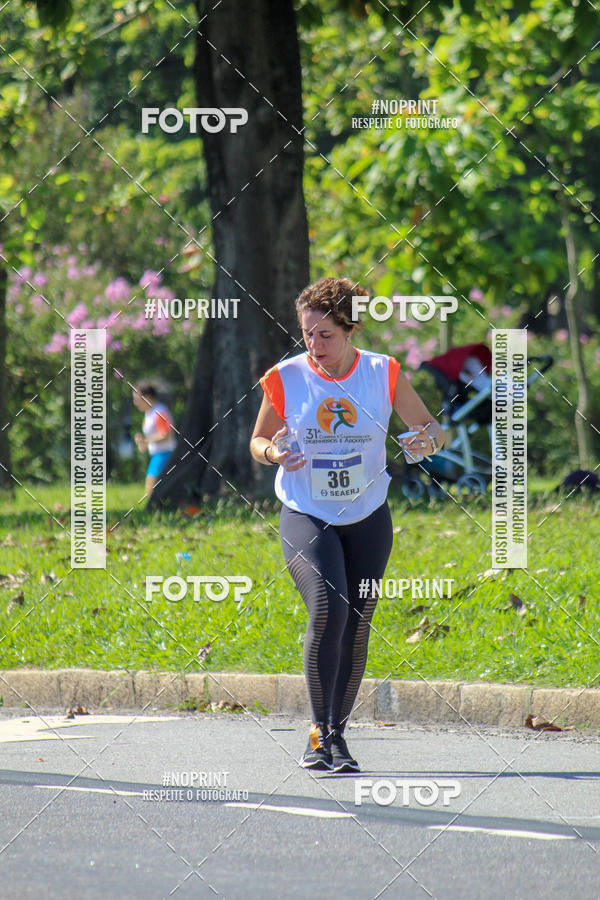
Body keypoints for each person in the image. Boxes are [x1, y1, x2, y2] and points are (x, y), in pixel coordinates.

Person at [249, 277, 445, 772]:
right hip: (306, 512)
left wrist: (426, 442)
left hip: (368, 517)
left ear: (351, 328)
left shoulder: (382, 372)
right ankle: (318, 733)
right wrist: (274, 453)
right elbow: (257, 440)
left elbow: (431, 428)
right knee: (327, 609)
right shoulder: (286, 376)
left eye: (326, 335)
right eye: (307, 334)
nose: (314, 345)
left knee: (357, 621)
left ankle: (337, 733)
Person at [132, 382, 177, 496]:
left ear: (147, 397)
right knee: (154, 491)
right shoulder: (149, 413)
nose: (135, 403)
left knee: (151, 490)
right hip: (157, 454)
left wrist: (145, 440)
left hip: (165, 454)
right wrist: (142, 442)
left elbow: (166, 434)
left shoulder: (159, 411)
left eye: (137, 399)